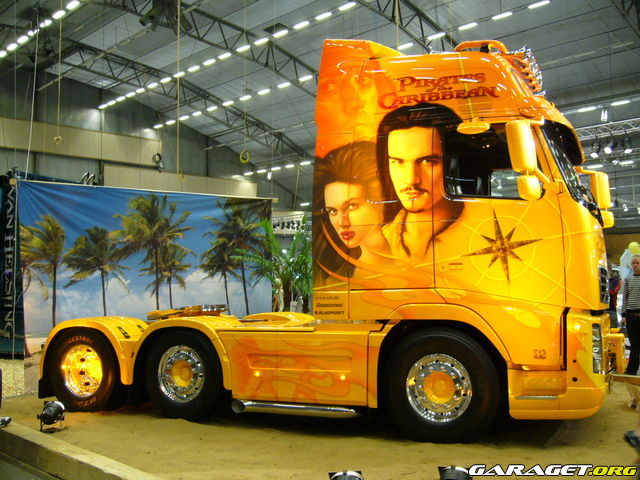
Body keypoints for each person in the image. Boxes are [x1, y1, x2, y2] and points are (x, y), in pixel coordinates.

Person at [376, 103, 464, 259]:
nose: (411, 179)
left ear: (453, 163)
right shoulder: (380, 239)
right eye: (398, 162)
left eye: (427, 161)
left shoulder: (483, 231)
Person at [314, 142, 390, 280]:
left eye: (351, 206)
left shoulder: (419, 259)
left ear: (378, 201)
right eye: (333, 211)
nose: (342, 223)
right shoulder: (336, 279)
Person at [623, 255, 640, 375]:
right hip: (631, 315)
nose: (635, 265)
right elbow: (625, 297)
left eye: (637, 263)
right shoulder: (628, 279)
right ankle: (631, 370)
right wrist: (624, 315)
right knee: (634, 344)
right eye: (633, 263)